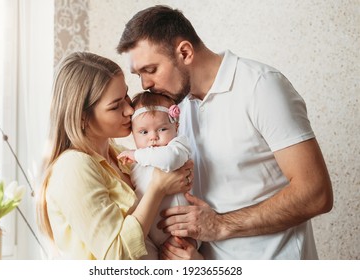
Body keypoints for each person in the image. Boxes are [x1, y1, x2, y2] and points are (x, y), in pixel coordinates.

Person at [116, 5, 334, 259]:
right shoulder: (173, 108)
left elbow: (316, 194)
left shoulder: (261, 87)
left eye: (150, 70)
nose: (145, 84)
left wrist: (220, 225)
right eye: (138, 74)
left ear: (184, 52)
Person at [36, 51, 194, 260]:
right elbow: (115, 256)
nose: (130, 109)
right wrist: (158, 188)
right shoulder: (73, 167)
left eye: (126, 96)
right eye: (115, 105)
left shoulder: (121, 156)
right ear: (83, 117)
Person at [117, 91, 201, 259]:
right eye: (143, 132)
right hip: (150, 232)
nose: (153, 137)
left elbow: (170, 160)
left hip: (181, 231)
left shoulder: (177, 146)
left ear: (175, 127)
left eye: (162, 129)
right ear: (133, 134)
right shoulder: (135, 163)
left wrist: (136, 155)